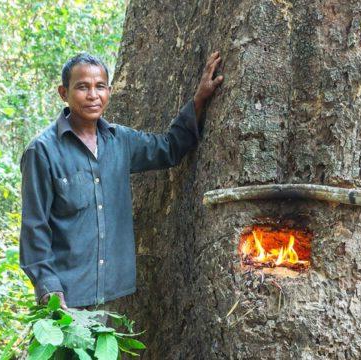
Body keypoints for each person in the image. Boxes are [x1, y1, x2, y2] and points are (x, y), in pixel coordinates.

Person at [19, 51, 223, 309]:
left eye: (100, 87)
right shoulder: (42, 151)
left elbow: (169, 148)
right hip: (66, 300)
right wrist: (49, 289)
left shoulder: (120, 141)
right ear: (64, 93)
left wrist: (200, 99)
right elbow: (34, 227)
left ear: (109, 91)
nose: (93, 95)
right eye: (82, 87)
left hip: (115, 297)